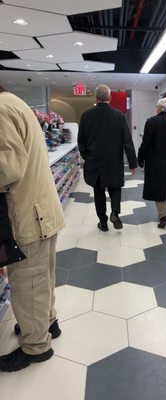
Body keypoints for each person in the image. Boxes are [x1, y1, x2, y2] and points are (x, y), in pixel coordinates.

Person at [0, 85, 65, 372]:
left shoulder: (1, 109)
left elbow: (7, 169)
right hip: (42, 210)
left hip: (28, 213)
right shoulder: (15, 102)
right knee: (43, 276)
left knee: (29, 283)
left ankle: (36, 346)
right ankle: (48, 323)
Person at [78, 84, 137, 231]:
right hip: (114, 161)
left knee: (99, 192)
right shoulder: (119, 115)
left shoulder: (86, 116)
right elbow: (127, 140)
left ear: (96, 98)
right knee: (115, 188)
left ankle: (103, 222)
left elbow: (81, 141)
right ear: (110, 98)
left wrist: (87, 156)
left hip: (95, 161)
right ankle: (115, 213)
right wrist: (132, 162)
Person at [138, 98, 166, 228]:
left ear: (159, 108)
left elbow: (146, 144)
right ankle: (163, 214)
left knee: (159, 189)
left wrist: (140, 158)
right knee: (164, 189)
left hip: (155, 163)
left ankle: (163, 216)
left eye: (156, 107)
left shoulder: (152, 122)